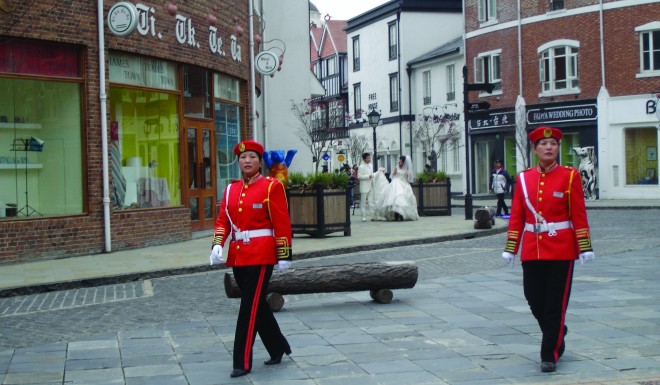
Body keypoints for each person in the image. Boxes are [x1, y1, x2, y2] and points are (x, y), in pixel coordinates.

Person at [502, 126, 595, 374]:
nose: (548, 147)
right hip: (533, 248)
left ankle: (549, 354)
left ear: (558, 148)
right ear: (535, 149)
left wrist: (584, 246)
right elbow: (517, 216)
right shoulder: (523, 178)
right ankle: (558, 331)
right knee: (533, 299)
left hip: (562, 249)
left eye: (553, 143)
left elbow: (578, 214)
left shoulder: (570, 176)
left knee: (555, 304)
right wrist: (511, 248)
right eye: (543, 145)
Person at [209, 140, 292, 378]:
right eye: (243, 157)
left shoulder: (271, 186)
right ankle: (278, 347)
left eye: (252, 157)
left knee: (248, 307)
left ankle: (242, 361)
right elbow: (223, 221)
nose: (247, 161)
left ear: (259, 162)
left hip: (262, 254)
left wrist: (284, 253)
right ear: (238, 162)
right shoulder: (230, 189)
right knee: (256, 304)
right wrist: (217, 243)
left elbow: (281, 222)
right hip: (238, 254)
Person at [373, 155, 419, 221]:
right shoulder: (397, 168)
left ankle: (402, 214)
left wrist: (408, 174)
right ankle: (396, 214)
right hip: (396, 183)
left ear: (404, 162)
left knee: (403, 198)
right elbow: (392, 175)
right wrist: (395, 178)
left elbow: (409, 179)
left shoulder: (407, 170)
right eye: (399, 160)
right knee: (395, 198)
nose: (399, 161)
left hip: (404, 184)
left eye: (401, 160)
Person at [357, 153, 380, 222]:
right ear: (364, 159)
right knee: (363, 202)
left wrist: (378, 173)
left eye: (369, 158)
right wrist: (368, 176)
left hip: (371, 185)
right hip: (364, 186)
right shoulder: (361, 167)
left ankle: (373, 216)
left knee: (371, 201)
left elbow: (372, 174)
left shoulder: (371, 165)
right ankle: (363, 216)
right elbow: (359, 176)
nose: (369, 159)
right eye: (367, 158)